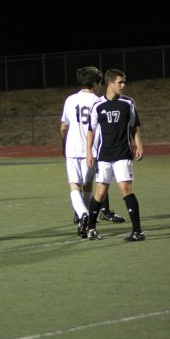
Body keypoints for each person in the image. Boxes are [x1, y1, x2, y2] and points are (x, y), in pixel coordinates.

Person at [60, 66, 125, 239]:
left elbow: (63, 127)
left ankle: (82, 215)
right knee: (88, 185)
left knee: (74, 186)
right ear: (97, 83)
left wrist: (64, 144)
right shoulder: (99, 101)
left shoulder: (70, 100)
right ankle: (87, 219)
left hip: (73, 149)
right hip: (92, 151)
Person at [86, 69, 144, 241]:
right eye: (120, 82)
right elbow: (91, 130)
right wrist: (89, 152)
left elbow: (134, 126)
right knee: (100, 192)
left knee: (125, 190)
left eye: (124, 82)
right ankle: (91, 229)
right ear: (110, 83)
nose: (123, 85)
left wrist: (138, 145)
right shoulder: (98, 106)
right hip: (104, 155)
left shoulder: (128, 103)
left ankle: (137, 231)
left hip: (123, 154)